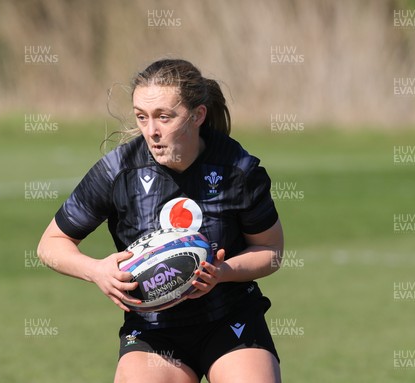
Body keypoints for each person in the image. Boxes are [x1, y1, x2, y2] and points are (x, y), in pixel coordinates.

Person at [37, 58, 284, 383]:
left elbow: (271, 251)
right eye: (142, 117)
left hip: (229, 319)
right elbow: (51, 244)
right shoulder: (118, 171)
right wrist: (96, 271)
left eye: (164, 117)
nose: (151, 131)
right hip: (153, 330)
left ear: (197, 115)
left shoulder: (237, 170)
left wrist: (222, 273)